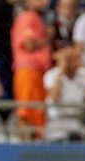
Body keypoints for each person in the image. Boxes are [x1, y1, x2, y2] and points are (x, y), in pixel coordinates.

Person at [11, 0, 52, 137]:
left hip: (38, 73)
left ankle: (35, 146)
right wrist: (48, 39)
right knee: (26, 114)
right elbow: (29, 44)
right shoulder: (27, 17)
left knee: (38, 116)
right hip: (28, 72)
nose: (44, 2)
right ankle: (26, 146)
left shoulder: (38, 20)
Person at [43, 45, 85, 140]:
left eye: (77, 58)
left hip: (77, 125)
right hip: (56, 126)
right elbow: (54, 96)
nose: (75, 62)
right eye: (70, 59)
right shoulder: (51, 75)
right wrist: (62, 70)